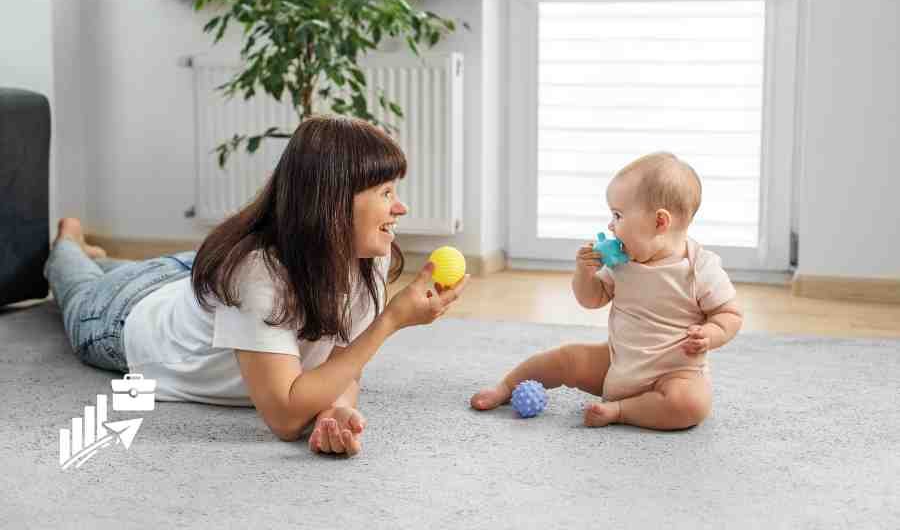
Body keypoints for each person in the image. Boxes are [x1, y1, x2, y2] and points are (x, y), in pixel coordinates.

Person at [44, 115, 469, 456]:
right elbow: (285, 417)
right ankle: (68, 241)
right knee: (77, 282)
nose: (401, 207)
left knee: (154, 271)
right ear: (334, 203)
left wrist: (336, 409)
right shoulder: (255, 274)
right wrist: (391, 320)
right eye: (386, 192)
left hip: (195, 280)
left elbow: (343, 362)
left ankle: (101, 258)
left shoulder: (368, 252)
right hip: (125, 314)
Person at [471, 152, 742, 430]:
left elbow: (729, 314)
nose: (611, 225)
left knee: (691, 404)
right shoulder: (624, 262)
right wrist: (585, 273)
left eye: (618, 215)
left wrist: (710, 334)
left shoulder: (700, 267)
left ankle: (622, 411)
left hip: (673, 373)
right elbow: (592, 299)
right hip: (617, 362)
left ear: (660, 222)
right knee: (566, 359)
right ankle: (506, 387)